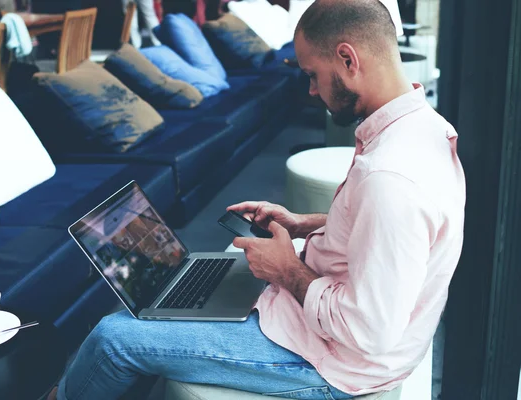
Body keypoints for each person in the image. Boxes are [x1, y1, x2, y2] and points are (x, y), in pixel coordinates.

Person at [48, 0, 465, 399]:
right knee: (196, 284)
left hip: (333, 363)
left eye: (312, 75)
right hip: (319, 326)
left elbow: (369, 331)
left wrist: (286, 271)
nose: (312, 91)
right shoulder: (419, 127)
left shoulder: (391, 177)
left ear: (348, 59)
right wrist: (308, 224)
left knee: (113, 338)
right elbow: (394, 236)